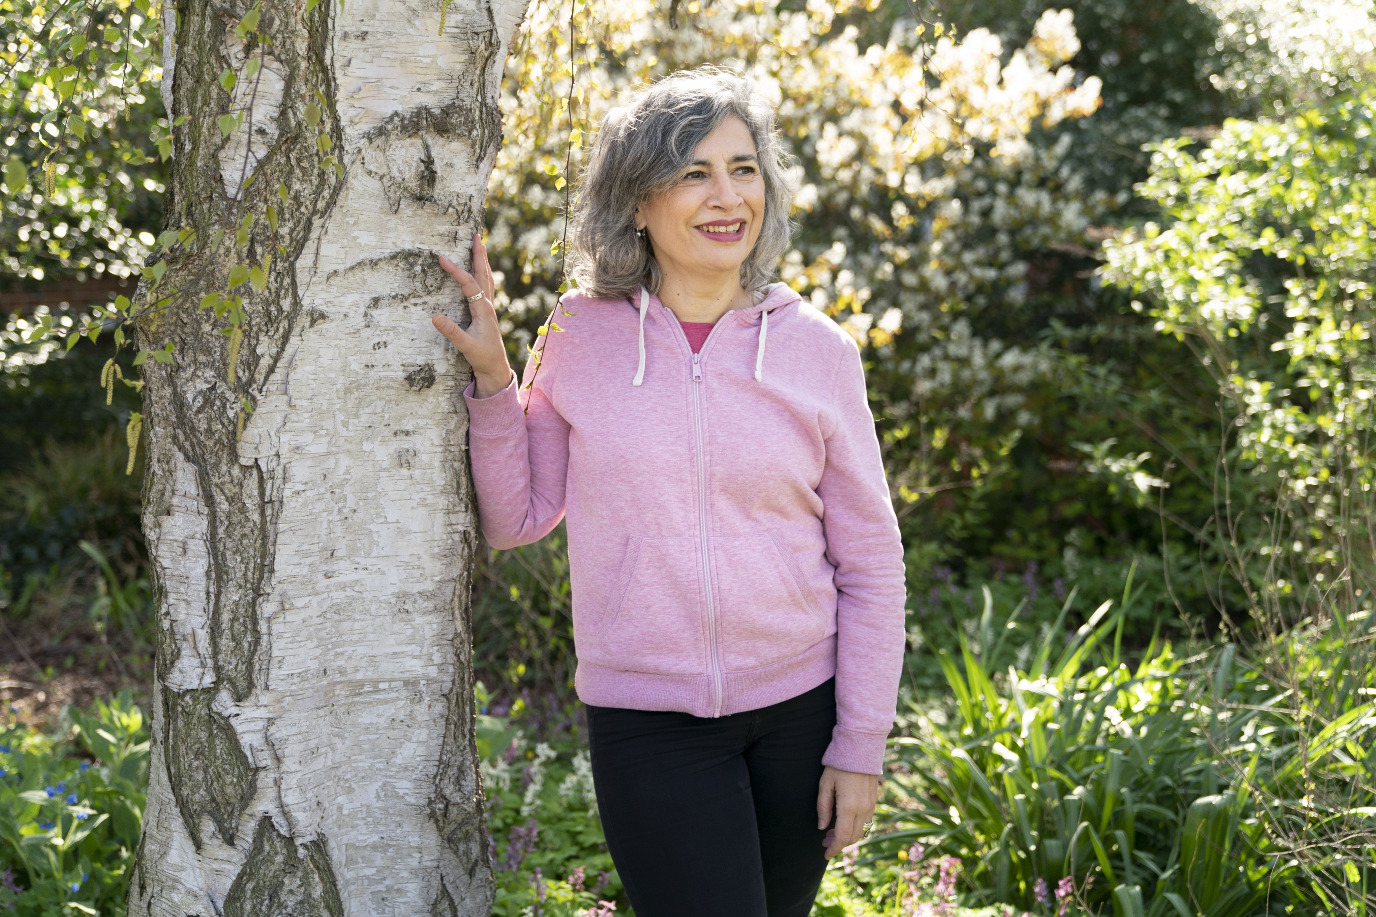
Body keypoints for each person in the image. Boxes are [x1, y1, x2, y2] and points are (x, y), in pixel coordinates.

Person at [432, 67, 907, 917]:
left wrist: (860, 745)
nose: (727, 197)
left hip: (802, 714)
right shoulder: (578, 335)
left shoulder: (817, 352)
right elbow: (517, 518)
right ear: (637, 203)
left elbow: (872, 562)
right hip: (649, 724)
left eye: (743, 167)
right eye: (693, 172)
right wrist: (497, 381)